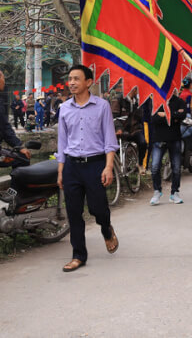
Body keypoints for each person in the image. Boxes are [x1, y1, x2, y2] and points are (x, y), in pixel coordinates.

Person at [56, 65, 120, 272]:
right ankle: (78, 255)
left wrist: (108, 167)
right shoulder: (64, 108)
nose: (72, 82)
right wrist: (60, 170)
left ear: (88, 82)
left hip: (95, 164)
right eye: (70, 79)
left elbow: (110, 140)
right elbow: (62, 142)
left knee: (97, 208)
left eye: (76, 79)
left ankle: (106, 229)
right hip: (72, 167)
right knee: (74, 212)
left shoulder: (101, 106)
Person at [149, 93, 187, 205]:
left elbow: (182, 115)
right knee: (155, 167)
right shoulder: (156, 100)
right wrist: (173, 116)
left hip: (174, 138)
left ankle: (174, 192)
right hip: (158, 139)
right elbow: (154, 119)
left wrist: (164, 114)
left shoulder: (179, 101)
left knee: (176, 168)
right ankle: (157, 191)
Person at [0, 70, 29, 156]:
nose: (4, 81)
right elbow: (5, 128)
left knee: (21, 120)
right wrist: (19, 146)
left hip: (19, 112)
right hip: (15, 112)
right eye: (3, 78)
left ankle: (23, 127)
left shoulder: (19, 101)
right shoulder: (11, 101)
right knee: (21, 159)